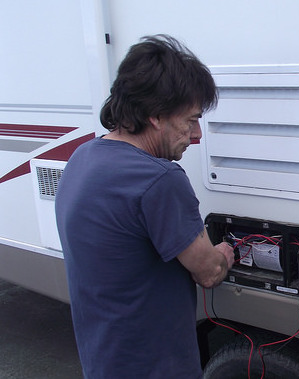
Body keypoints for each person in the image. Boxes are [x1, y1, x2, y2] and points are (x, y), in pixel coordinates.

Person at [55, 35, 234, 379]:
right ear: (156, 115)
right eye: (191, 119)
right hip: (154, 365)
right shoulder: (160, 180)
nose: (197, 134)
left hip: (103, 360)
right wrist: (224, 254)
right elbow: (208, 272)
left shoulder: (82, 157)